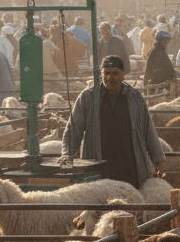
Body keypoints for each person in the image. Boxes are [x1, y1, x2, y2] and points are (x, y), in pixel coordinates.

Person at [63, 55, 167, 187]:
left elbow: (148, 129)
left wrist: (158, 159)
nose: (110, 78)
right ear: (101, 74)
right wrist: (67, 154)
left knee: (131, 199)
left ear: (123, 75)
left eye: (115, 73)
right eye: (106, 73)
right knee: (100, 201)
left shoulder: (134, 97)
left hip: (129, 162)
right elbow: (74, 128)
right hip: (98, 162)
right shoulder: (88, 97)